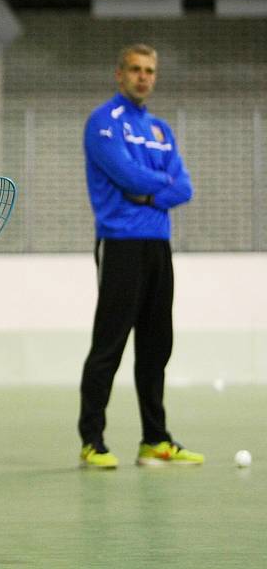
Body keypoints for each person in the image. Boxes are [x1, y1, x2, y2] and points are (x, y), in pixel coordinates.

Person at [78, 44, 204, 469]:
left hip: (157, 245)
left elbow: (183, 186)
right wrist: (159, 184)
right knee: (109, 345)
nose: (143, 77)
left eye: (149, 70)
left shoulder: (160, 130)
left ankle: (155, 439)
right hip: (119, 243)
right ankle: (92, 440)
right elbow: (123, 174)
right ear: (120, 75)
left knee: (156, 346)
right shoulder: (103, 122)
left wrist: (150, 191)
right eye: (135, 69)